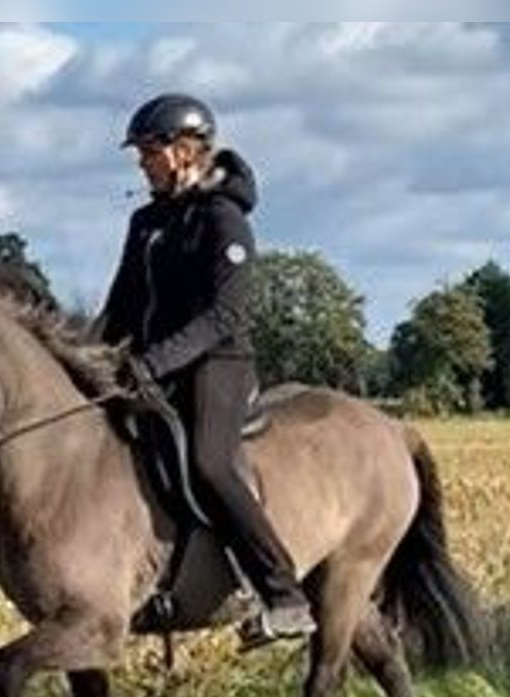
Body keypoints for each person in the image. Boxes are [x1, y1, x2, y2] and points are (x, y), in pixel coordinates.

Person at [93, 92, 316, 649]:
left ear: (185, 151)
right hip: (149, 367)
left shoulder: (224, 219)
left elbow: (225, 315)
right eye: (140, 153)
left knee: (209, 463)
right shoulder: (145, 222)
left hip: (218, 364)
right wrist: (89, 362)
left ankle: (281, 592)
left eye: (149, 151)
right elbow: (120, 306)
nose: (141, 163)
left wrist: (155, 360)